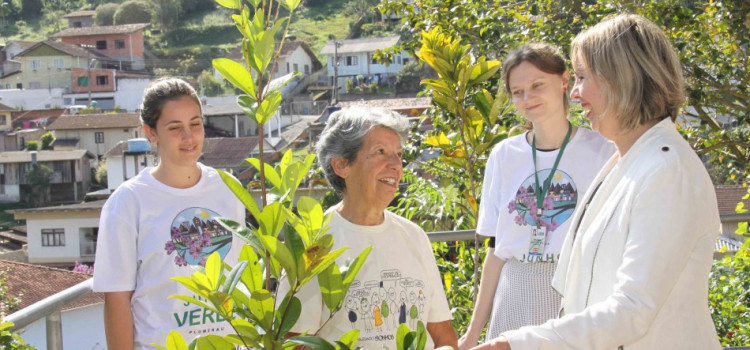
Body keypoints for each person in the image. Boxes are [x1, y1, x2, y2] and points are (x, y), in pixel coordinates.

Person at [472, 14, 722, 350]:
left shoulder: (666, 170)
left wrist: (515, 343)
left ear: (621, 78)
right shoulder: (628, 161)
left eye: (581, 77)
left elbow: (632, 308)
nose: (574, 94)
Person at [458, 43, 614, 349]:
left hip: (572, 295)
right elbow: (495, 249)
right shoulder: (504, 155)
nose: (527, 98)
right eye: (517, 92)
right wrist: (473, 332)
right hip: (514, 294)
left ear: (564, 81)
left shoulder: (602, 150)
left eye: (537, 85)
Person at [282, 107, 458, 349]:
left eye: (398, 154)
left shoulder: (413, 236)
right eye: (381, 152)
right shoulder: (313, 242)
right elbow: (294, 342)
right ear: (342, 165)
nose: (396, 165)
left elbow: (443, 335)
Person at [92, 78, 246, 349]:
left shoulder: (228, 190)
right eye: (175, 128)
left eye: (195, 124)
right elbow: (117, 299)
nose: (189, 137)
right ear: (151, 133)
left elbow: (241, 275)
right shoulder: (128, 202)